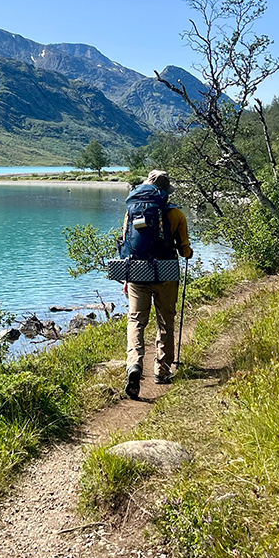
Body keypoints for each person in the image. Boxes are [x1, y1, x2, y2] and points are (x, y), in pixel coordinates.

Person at [122, 169, 192, 399]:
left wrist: (126, 278)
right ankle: (161, 371)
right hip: (165, 273)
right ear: (166, 192)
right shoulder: (175, 214)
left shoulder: (131, 211)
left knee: (136, 321)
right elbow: (184, 250)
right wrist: (187, 252)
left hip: (137, 274)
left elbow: (126, 244)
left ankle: (134, 364)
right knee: (165, 320)